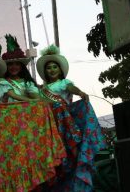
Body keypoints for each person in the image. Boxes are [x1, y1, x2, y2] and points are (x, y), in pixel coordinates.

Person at [0, 38, 62, 191]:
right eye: (10, 64)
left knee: (16, 162)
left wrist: (35, 103)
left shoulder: (6, 83)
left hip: (12, 129)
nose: (13, 67)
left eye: (17, 64)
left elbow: (18, 97)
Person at [37, 44, 106, 191]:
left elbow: (71, 89)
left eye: (55, 67)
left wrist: (80, 92)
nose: (52, 70)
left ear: (60, 69)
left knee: (70, 154)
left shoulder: (64, 83)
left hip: (64, 123)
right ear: (45, 71)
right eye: (48, 67)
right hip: (49, 126)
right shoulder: (41, 89)